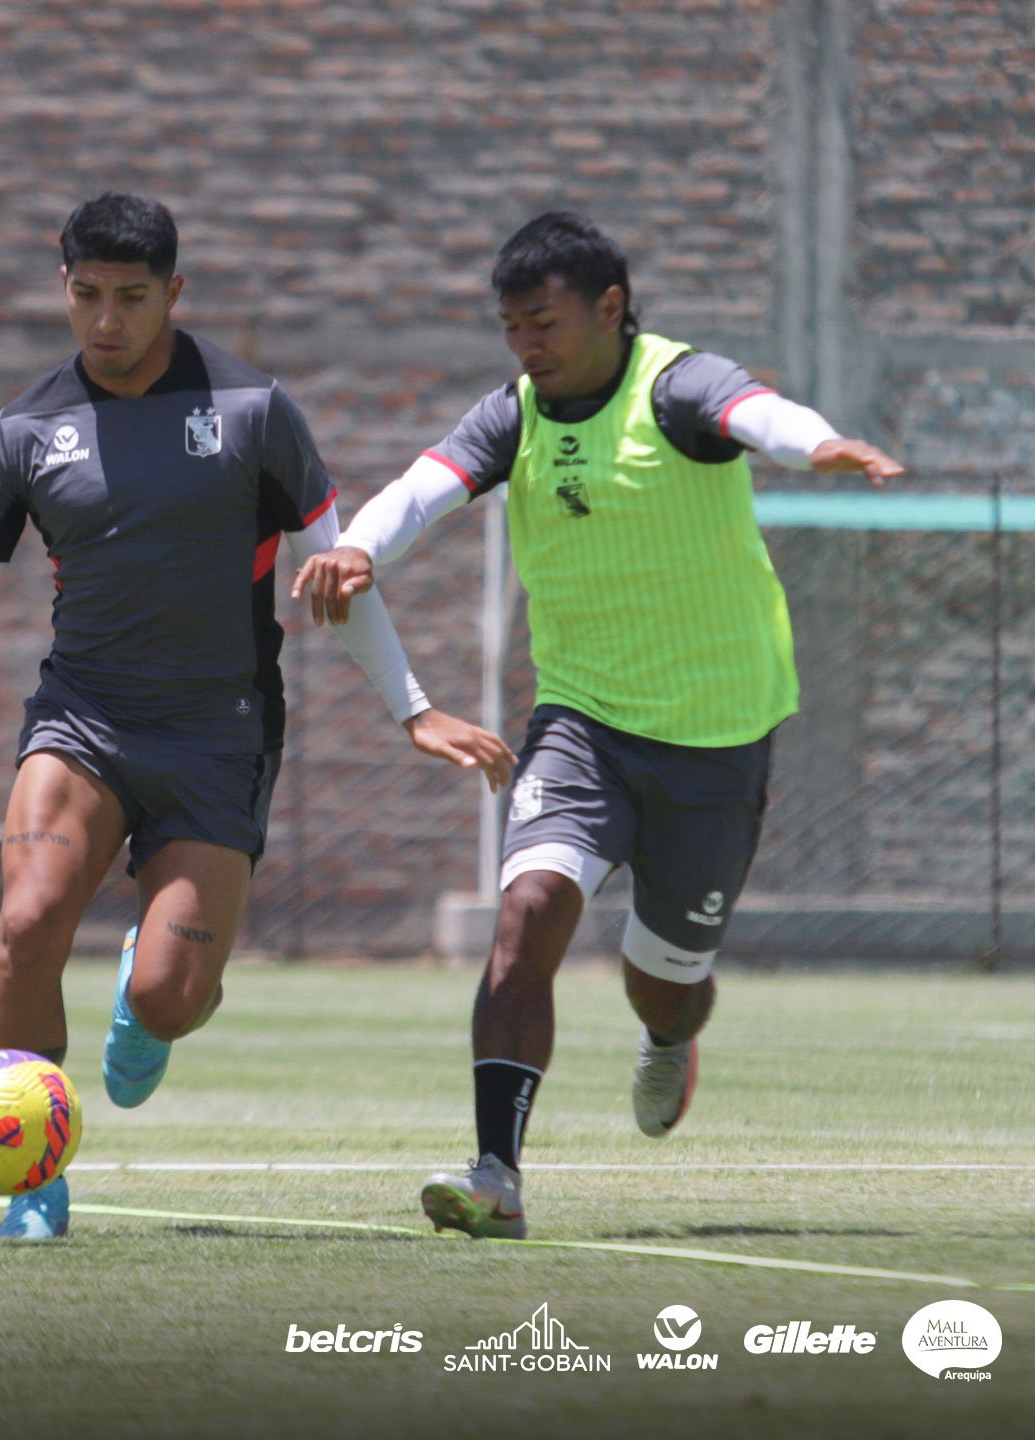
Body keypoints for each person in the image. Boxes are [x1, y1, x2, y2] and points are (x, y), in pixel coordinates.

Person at [0, 193, 511, 1241]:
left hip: (220, 732)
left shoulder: (253, 412)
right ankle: (35, 1184)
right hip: (82, 718)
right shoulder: (27, 427)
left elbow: (334, 576)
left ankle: (146, 991)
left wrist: (414, 708)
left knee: (171, 1002)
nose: (107, 322)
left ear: (176, 292)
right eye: (86, 297)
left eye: (132, 298)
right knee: (25, 921)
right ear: (63, 290)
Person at [293, 212, 904, 1239]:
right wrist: (358, 548)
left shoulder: (676, 386)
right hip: (582, 725)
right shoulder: (514, 415)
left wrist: (822, 445)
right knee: (528, 910)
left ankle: (671, 1035)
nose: (528, 347)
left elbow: (756, 412)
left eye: (545, 323)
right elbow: (425, 486)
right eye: (512, 329)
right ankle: (497, 1175)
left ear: (610, 309)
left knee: (664, 987)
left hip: (717, 735)